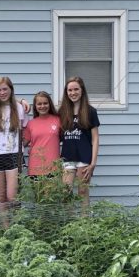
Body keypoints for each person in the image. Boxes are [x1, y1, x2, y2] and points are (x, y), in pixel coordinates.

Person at [0, 76, 28, 224]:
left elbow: (26, 131)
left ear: (11, 90)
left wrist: (21, 100)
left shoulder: (19, 108)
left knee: (12, 196)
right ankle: (6, 228)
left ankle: (17, 226)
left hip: (14, 155)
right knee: (2, 195)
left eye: (5, 89)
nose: (2, 92)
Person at [58, 76, 100, 205]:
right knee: (66, 192)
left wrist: (93, 163)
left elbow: (95, 138)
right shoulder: (62, 112)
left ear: (82, 90)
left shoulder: (90, 111)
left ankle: (85, 223)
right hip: (67, 158)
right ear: (66, 92)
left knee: (82, 192)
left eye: (76, 89)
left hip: (84, 158)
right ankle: (69, 223)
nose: (73, 93)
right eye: (70, 90)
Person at [22, 90, 62, 177]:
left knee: (54, 191)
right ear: (35, 106)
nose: (42, 106)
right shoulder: (31, 123)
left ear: (49, 104)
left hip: (54, 168)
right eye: (39, 104)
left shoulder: (58, 120)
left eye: (45, 103)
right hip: (35, 168)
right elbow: (23, 144)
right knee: (37, 191)